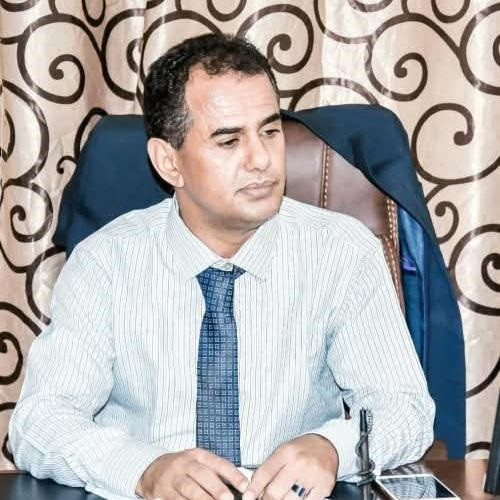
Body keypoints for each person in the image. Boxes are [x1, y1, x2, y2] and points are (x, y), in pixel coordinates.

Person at [9, 33, 434, 500]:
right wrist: (144, 469)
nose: (262, 160)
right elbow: (39, 424)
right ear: (169, 162)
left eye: (270, 131)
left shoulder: (341, 251)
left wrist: (332, 448)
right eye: (229, 141)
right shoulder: (106, 263)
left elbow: (405, 410)